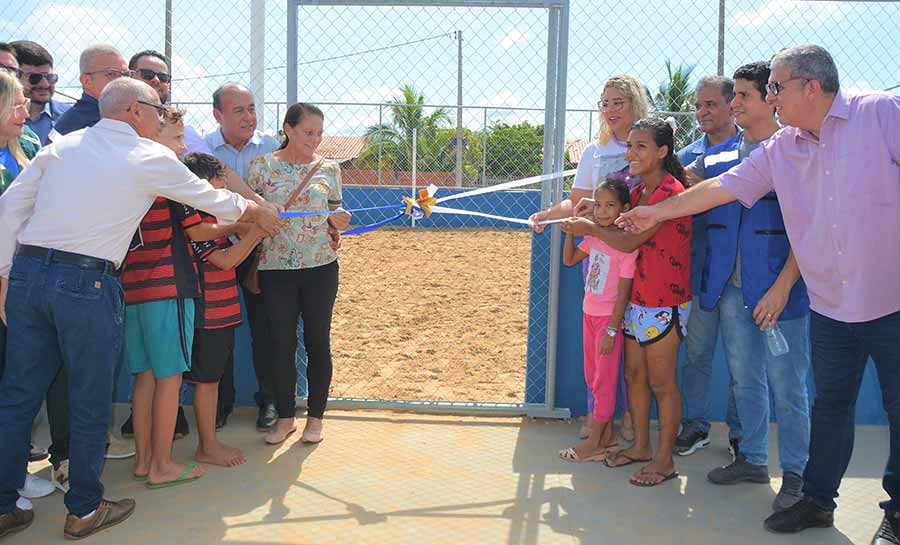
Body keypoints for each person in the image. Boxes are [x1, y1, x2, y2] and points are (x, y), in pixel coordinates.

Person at [614, 45, 900, 544]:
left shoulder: (879, 113)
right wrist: (655, 213)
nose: (769, 96)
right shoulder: (782, 147)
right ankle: (816, 501)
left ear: (811, 86)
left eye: (775, 87)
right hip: (831, 306)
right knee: (830, 406)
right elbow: (722, 188)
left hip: (890, 300)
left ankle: (896, 515)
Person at [0, 77, 280, 539]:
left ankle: (4, 504)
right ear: (135, 111)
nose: (160, 114)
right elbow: (210, 200)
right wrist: (255, 211)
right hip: (87, 282)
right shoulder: (147, 157)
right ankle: (85, 510)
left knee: (17, 396)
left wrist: (8, 274)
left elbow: (10, 208)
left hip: (31, 274)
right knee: (90, 399)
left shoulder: (61, 147)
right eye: (157, 107)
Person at [686, 61, 810, 513]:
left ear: (769, 98)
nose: (732, 104)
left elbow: (808, 229)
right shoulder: (717, 155)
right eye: (732, 95)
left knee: (789, 386)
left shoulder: (796, 150)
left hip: (781, 293)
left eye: (742, 96)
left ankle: (798, 475)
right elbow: (680, 180)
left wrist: (781, 288)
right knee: (745, 380)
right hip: (732, 290)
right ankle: (754, 459)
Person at [563, 118, 691, 487]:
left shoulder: (669, 191)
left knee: (662, 383)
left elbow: (628, 243)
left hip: (663, 301)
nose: (631, 153)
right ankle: (640, 447)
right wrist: (594, 206)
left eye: (641, 147)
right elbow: (612, 216)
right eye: (630, 145)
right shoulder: (636, 189)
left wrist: (590, 227)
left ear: (662, 152)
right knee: (634, 376)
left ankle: (665, 461)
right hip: (637, 300)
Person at [529, 75, 648, 442]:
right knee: (599, 343)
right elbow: (577, 200)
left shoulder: (647, 146)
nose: (610, 110)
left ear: (635, 105)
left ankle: (630, 415)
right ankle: (600, 416)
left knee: (630, 341)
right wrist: (547, 215)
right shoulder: (594, 153)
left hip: (636, 257)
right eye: (605, 103)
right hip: (597, 260)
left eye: (619, 102)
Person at [247, 103, 351, 445]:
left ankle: (316, 418)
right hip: (276, 269)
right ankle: (286, 417)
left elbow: (335, 212)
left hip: (321, 268)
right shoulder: (261, 167)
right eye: (309, 132)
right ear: (288, 129)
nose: (316, 139)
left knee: (318, 342)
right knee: (281, 344)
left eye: (319, 133)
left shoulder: (330, 168)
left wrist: (339, 223)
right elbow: (249, 214)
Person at [205, 83, 283, 431]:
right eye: (238, 111)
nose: (249, 117)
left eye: (251, 108)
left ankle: (269, 400)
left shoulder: (272, 148)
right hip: (214, 251)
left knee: (266, 329)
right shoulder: (201, 149)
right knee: (216, 331)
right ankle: (219, 405)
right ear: (217, 115)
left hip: (263, 253)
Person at [674, 76, 743, 458]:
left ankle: (741, 434)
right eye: (698, 105)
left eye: (710, 105)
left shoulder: (749, 150)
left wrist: (704, 184)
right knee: (697, 354)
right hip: (700, 275)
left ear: (732, 105)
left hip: (740, 277)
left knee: (741, 362)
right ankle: (695, 426)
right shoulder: (685, 156)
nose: (701, 112)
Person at [182, 152, 263, 468]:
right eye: (216, 193)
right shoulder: (199, 225)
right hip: (208, 312)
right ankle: (207, 446)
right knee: (207, 381)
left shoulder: (211, 221)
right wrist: (255, 231)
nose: (223, 199)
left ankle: (207, 442)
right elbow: (225, 260)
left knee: (210, 379)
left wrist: (247, 226)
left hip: (220, 311)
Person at [0, 69, 56, 510]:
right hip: (4, 282)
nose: (25, 111)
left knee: (17, 386)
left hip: (23, 282)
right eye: (16, 103)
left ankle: (12, 475)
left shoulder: (32, 147)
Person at [558, 178, 636, 463]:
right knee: (592, 378)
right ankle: (606, 438)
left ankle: (593, 445)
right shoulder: (593, 238)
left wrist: (612, 330)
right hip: (588, 315)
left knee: (603, 383)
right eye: (599, 205)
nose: (602, 212)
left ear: (624, 208)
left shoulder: (626, 246)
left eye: (610, 206)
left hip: (607, 323)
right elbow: (569, 261)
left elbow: (623, 294)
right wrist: (570, 233)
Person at [52, 44, 129, 137]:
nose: (122, 80)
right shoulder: (75, 125)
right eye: (111, 73)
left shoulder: (123, 115)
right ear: (87, 81)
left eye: (126, 74)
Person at [9, 40, 70, 146]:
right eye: (34, 78)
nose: (45, 84)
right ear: (12, 77)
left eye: (50, 77)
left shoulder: (70, 117)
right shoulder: (4, 120)